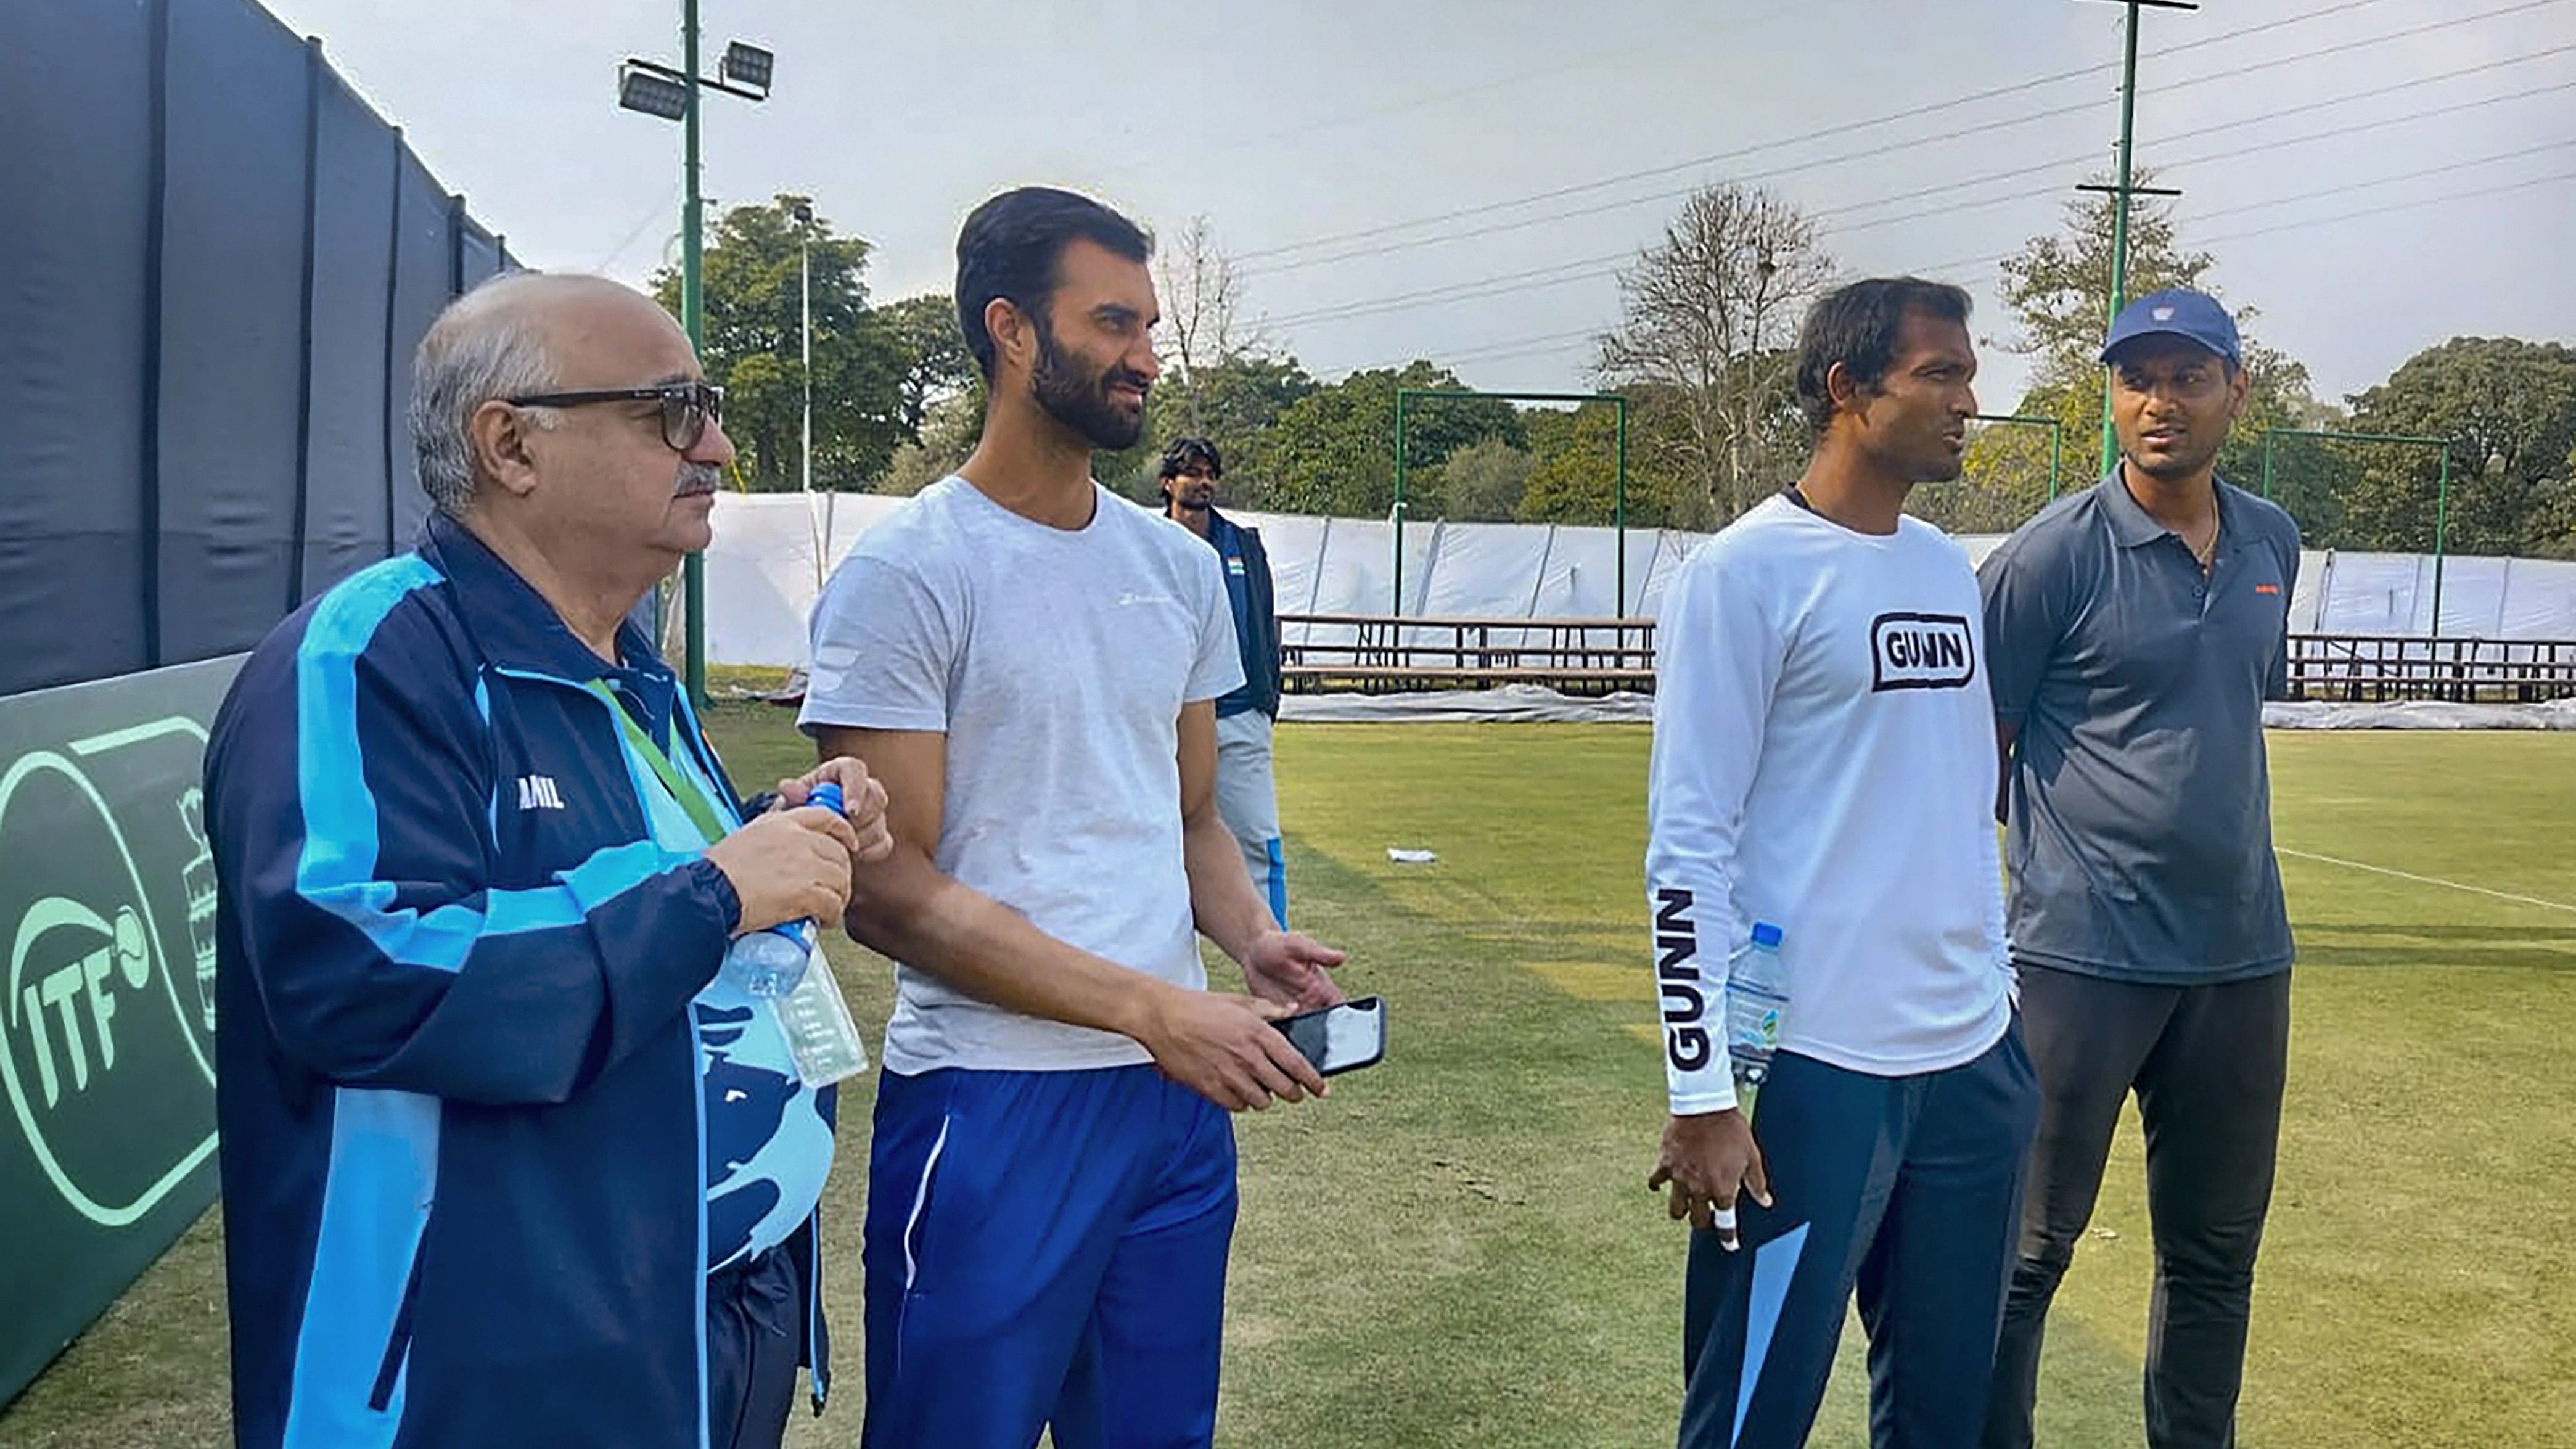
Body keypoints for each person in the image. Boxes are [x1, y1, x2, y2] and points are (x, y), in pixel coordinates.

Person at [202, 272, 895, 1449]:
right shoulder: (363, 658)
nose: (718, 446)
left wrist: (780, 835)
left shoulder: (629, 662)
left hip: (706, 1316)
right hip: (489, 1374)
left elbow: (644, 890)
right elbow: (361, 976)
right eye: (673, 410)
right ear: (510, 444)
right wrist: (717, 891)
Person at [798, 186, 1348, 1449]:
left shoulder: (1176, 567)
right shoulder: (907, 572)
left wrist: (1249, 937)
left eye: (1150, 325)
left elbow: (1193, 812)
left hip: (1167, 1105)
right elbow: (888, 891)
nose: (1146, 356)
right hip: (995, 1100)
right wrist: (1152, 1007)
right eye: (1112, 322)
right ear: (1009, 329)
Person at [1644, 276, 2038, 1449]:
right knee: (1749, 1412)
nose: (1970, 400)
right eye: (1941, 375)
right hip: (1814, 1075)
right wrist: (1700, 1088)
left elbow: (1969, 806)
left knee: (1943, 1418)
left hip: (1970, 1066)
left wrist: (1998, 1000)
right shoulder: (1740, 575)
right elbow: (1686, 845)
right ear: (1845, 390)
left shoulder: (1939, 572)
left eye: (1968, 373)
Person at [1978, 289, 2302, 1449]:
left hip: (2237, 961)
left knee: (2215, 1258)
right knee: (2021, 1256)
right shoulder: (2048, 557)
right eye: (2135, 379)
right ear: (2109, 397)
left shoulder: (2272, 540)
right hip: (2077, 960)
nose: (2158, 402)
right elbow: (1977, 753)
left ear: (2234, 391)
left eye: (2186, 376)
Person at [1159, 435, 1290, 925]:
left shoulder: (1243, 545)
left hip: (1238, 715)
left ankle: (1278, 956)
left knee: (1258, 838)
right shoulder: (1146, 547)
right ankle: (1160, 964)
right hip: (1164, 721)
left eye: (1211, 473)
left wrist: (1266, 700)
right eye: (1193, 472)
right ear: (1168, 482)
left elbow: (1264, 619)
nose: (1204, 482)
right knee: (1157, 841)